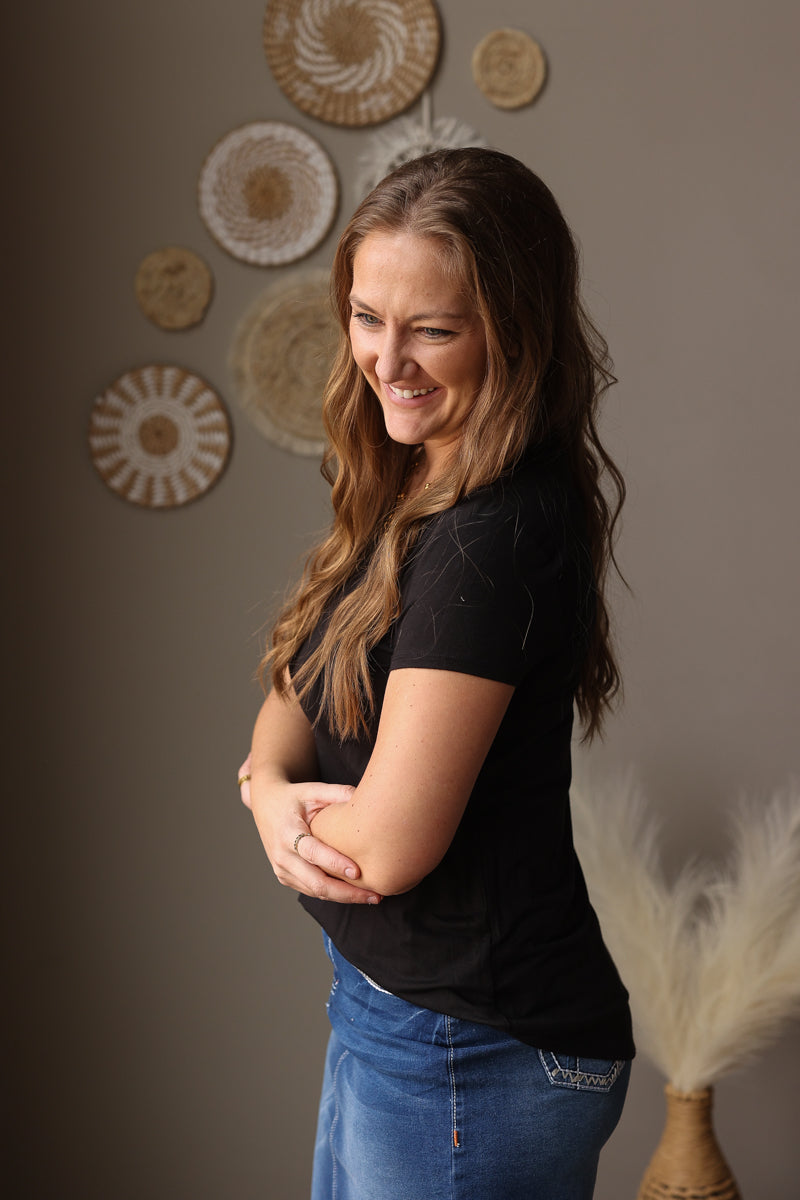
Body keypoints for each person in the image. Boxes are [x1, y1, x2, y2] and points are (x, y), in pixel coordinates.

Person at [238, 147, 635, 1200]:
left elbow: (387, 849)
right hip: (388, 1019)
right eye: (368, 317)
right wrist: (269, 795)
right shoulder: (409, 478)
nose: (387, 360)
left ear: (514, 332)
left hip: (471, 1056)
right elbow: (284, 712)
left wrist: (275, 816)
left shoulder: (492, 535)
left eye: (433, 329)